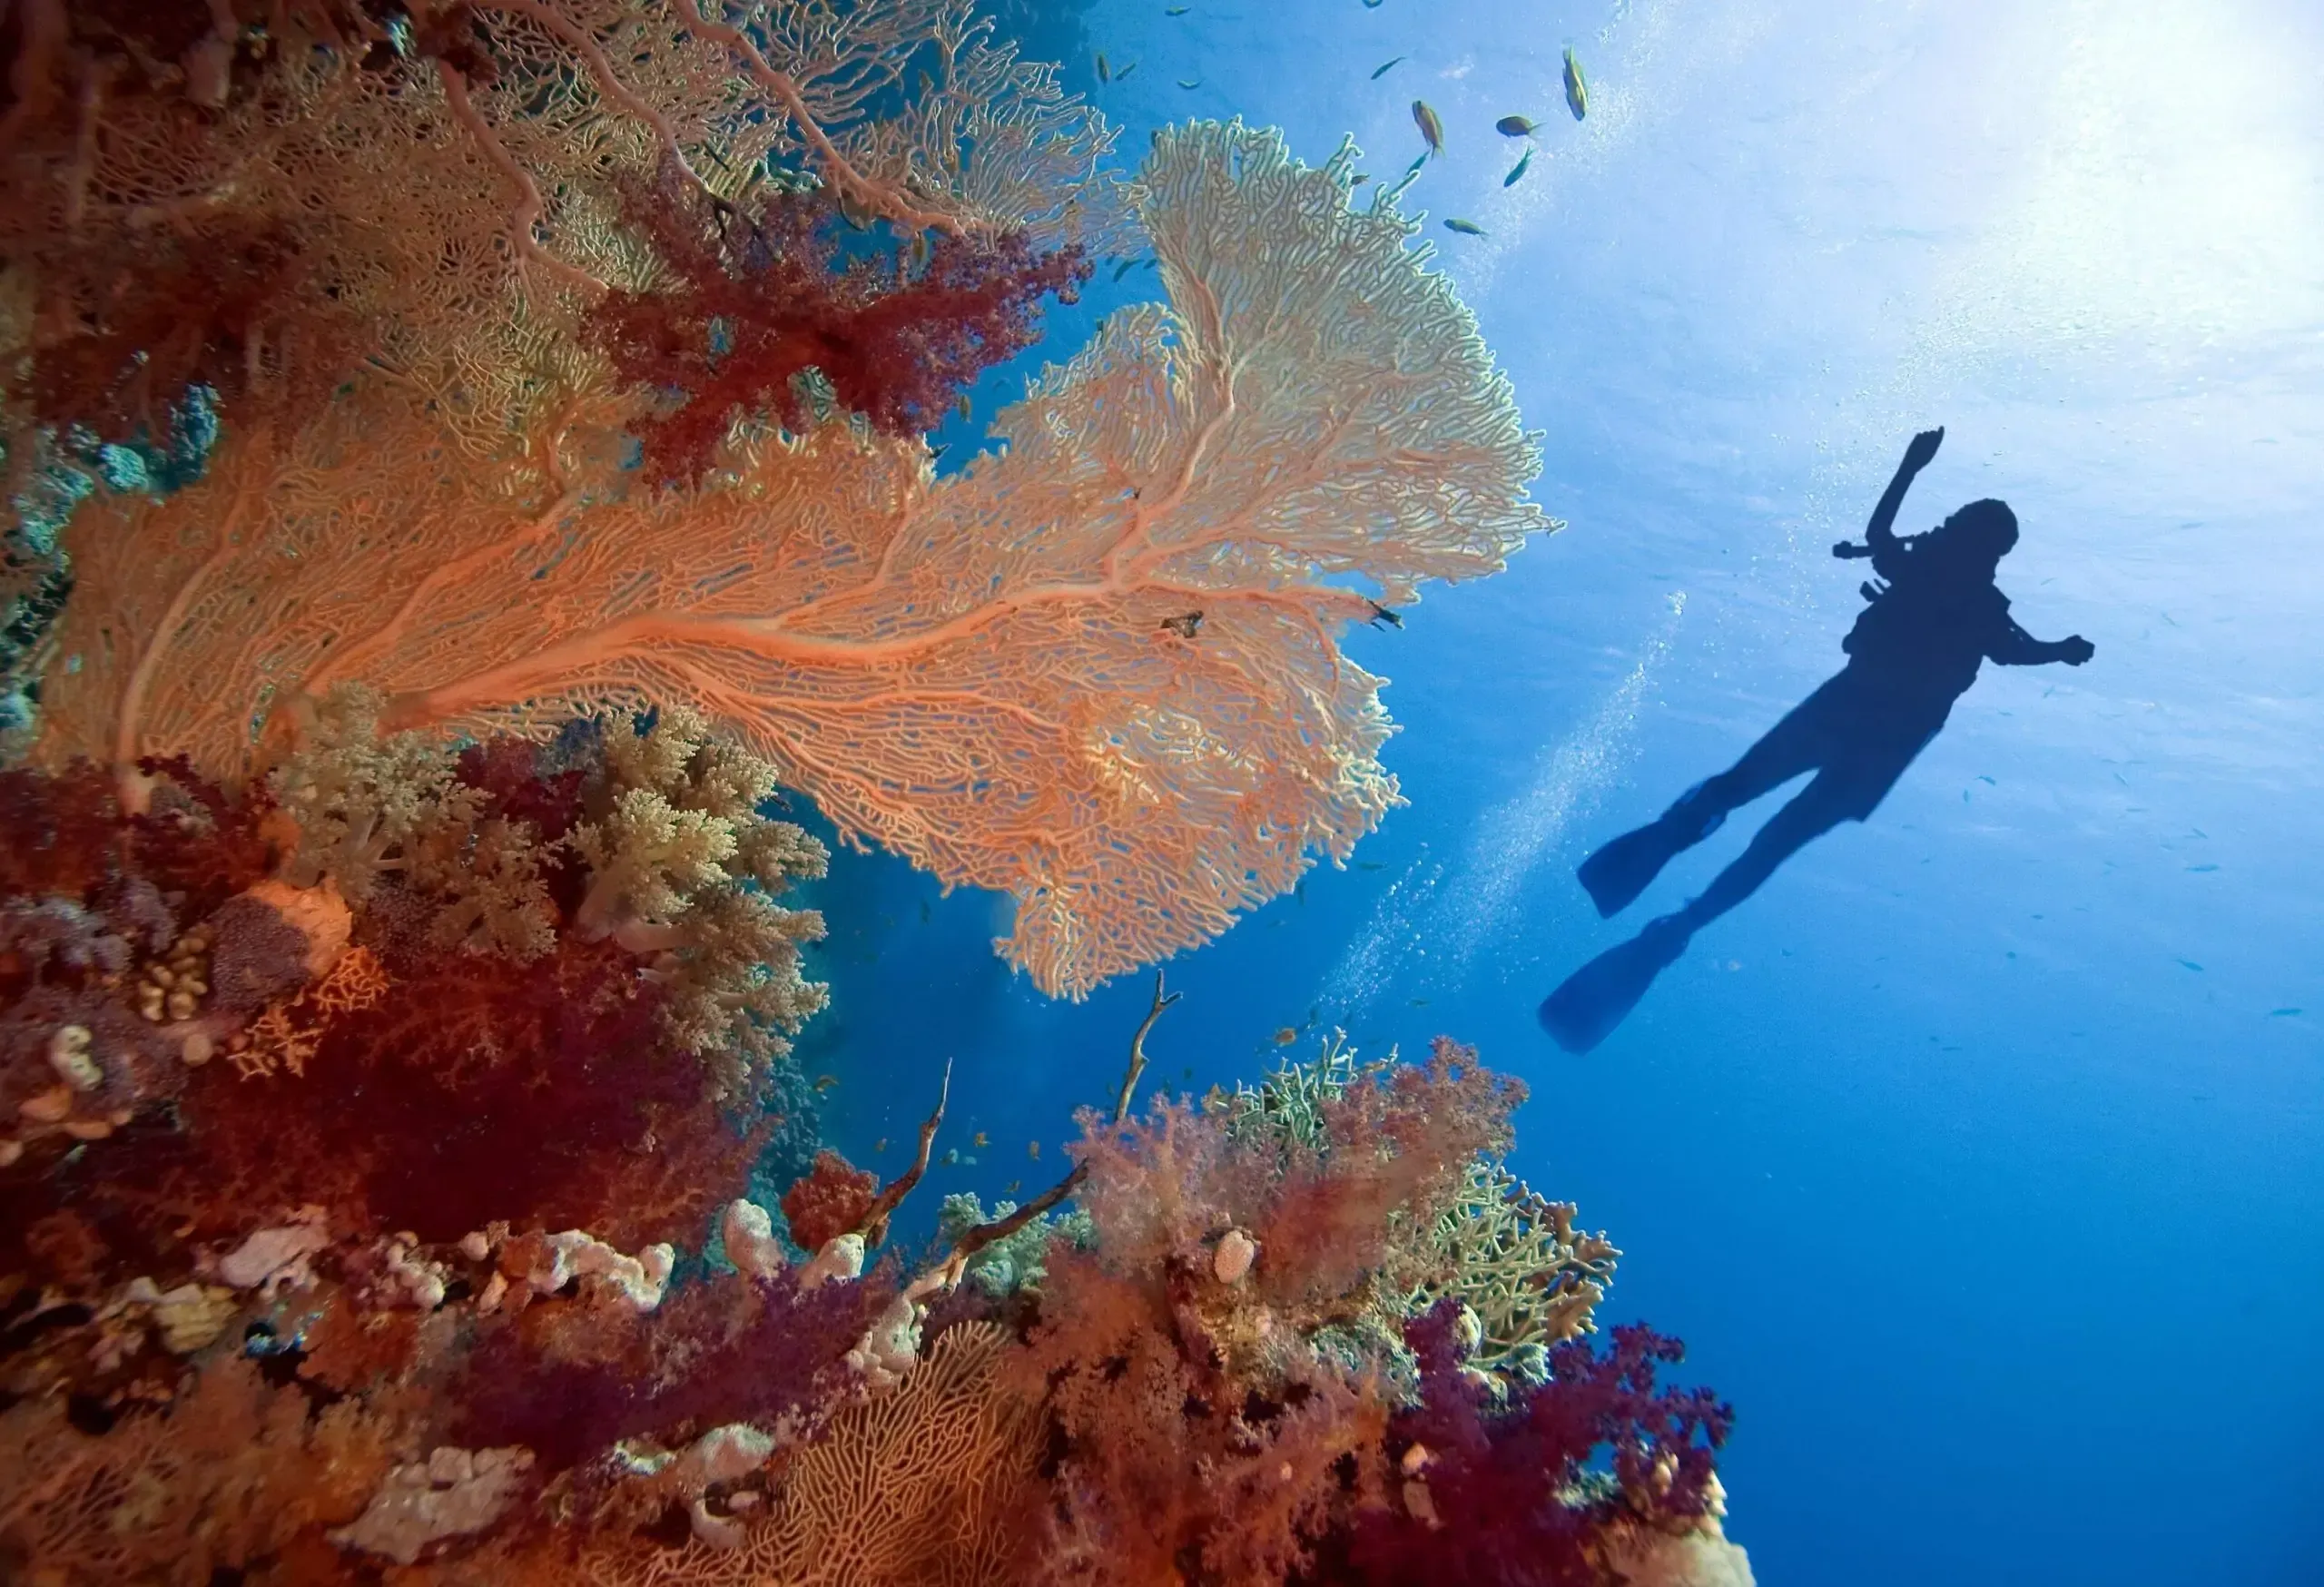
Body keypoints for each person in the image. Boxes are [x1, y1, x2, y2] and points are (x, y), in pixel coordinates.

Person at [1539, 428, 2093, 1054]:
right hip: (1878, 739)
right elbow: (2016, 650)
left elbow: (1893, 543)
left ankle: (1672, 873)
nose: (1952, 533)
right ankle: (1679, 917)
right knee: (1766, 835)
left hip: (1850, 716)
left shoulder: (1946, 583)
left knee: (1747, 804)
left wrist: (1910, 468)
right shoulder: (1971, 597)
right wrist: (2062, 652)